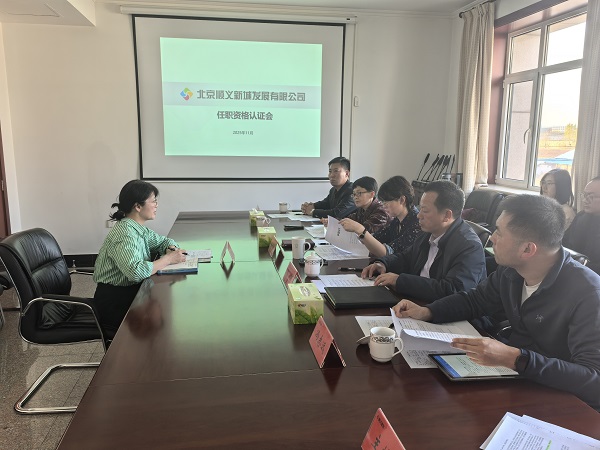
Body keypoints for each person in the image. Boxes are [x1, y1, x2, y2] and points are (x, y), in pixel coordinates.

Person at [392, 195, 600, 410]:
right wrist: (428, 311)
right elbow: (475, 300)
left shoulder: (588, 294)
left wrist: (515, 358)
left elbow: (593, 378)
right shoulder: (511, 271)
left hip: (562, 401)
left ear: (527, 249)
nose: (492, 238)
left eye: (499, 232)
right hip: (517, 379)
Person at [361, 180, 486, 302]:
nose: (418, 215)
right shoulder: (428, 232)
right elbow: (406, 257)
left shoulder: (469, 246)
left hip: (443, 311)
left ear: (447, 215)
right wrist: (383, 264)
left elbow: (453, 290)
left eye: (425, 211)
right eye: (420, 209)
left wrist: (400, 281)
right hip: (417, 301)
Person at [93, 180, 187, 340]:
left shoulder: (138, 229)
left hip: (132, 293)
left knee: (172, 308)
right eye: (153, 201)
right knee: (172, 316)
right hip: (116, 300)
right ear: (137, 206)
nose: (157, 205)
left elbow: (164, 241)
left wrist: (170, 249)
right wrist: (168, 259)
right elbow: (135, 272)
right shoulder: (125, 233)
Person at [340, 175, 421, 257]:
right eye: (383, 202)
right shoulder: (396, 221)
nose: (384, 206)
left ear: (402, 200)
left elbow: (389, 253)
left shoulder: (417, 223)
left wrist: (360, 230)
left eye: (386, 202)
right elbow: (377, 238)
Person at [563, 176, 600, 274]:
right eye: (584, 195)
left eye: (591, 196)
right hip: (572, 270)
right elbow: (564, 243)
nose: (585, 200)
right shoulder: (581, 216)